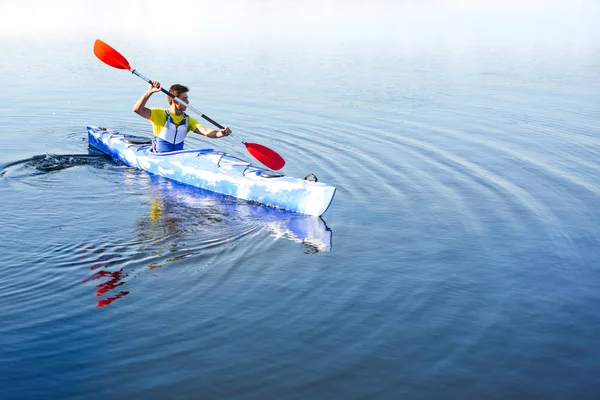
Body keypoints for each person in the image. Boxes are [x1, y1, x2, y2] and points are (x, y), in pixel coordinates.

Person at [133, 81, 231, 152]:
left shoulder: (187, 120)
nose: (188, 102)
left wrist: (220, 133)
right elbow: (138, 110)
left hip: (177, 158)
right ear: (175, 101)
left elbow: (205, 131)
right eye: (184, 99)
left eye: (187, 98)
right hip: (159, 156)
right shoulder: (159, 114)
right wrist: (149, 93)